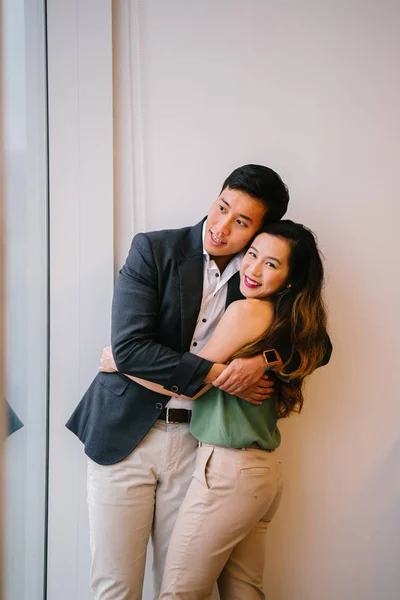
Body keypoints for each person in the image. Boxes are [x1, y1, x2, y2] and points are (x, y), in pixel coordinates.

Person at [66, 164, 332, 600]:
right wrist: (226, 377)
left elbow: (318, 346)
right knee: (114, 587)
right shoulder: (155, 249)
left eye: (242, 222)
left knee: (183, 585)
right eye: (222, 206)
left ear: (261, 230)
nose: (221, 226)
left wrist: (263, 359)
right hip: (124, 434)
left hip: (198, 444)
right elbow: (130, 348)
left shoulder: (260, 283)